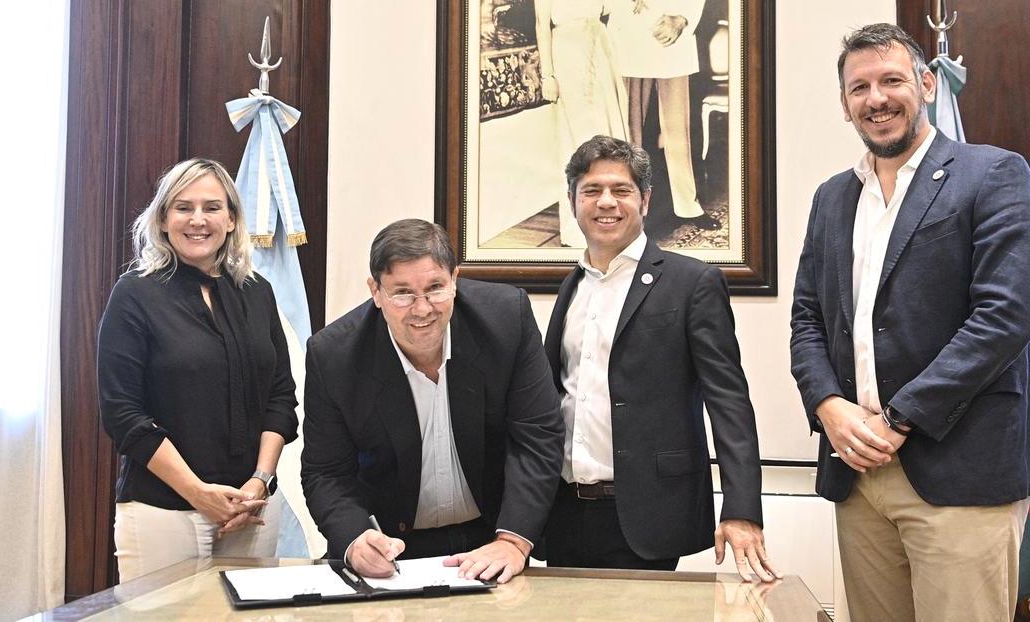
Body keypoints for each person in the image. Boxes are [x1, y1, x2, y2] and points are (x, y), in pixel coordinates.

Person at [790, 23, 1030, 621]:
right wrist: (828, 405)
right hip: (856, 476)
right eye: (859, 87)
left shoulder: (993, 174)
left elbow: (1004, 315)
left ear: (925, 84)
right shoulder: (832, 198)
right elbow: (808, 319)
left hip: (958, 472)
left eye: (891, 80)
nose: (876, 99)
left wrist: (902, 417)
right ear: (844, 104)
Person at [543, 135, 776, 581]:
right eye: (591, 191)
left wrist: (742, 507)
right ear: (572, 202)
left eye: (621, 190)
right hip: (565, 512)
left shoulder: (692, 283)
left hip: (648, 513)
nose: (606, 202)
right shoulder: (572, 286)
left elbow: (728, 401)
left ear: (645, 200)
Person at [301, 218, 564, 583]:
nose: (422, 309)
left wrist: (514, 540)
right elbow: (326, 473)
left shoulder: (506, 320)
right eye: (403, 293)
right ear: (375, 292)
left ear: (455, 280)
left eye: (435, 288)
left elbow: (537, 436)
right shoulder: (334, 356)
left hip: (491, 536)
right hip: (391, 547)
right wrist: (356, 539)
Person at [98, 158, 299, 581]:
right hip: (163, 513)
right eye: (183, 207)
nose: (197, 220)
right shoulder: (134, 294)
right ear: (163, 219)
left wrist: (260, 481)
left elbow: (281, 397)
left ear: (231, 219)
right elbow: (122, 414)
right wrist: (197, 493)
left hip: (253, 508)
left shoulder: (258, 293)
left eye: (211, 207)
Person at [606, 0, 720, 230]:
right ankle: (629, 207)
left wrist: (683, 19)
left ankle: (687, 205)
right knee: (630, 131)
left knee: (679, 130)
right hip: (630, 34)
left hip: (671, 37)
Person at [534, 0, 629, 247]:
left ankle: (614, 222)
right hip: (568, 54)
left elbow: (609, 7)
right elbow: (542, 24)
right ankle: (579, 229)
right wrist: (548, 76)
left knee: (609, 135)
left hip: (600, 47)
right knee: (577, 141)